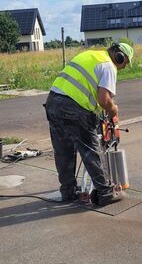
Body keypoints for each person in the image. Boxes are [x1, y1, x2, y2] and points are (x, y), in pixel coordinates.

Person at [44, 42, 134, 206]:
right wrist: (113, 110)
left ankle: (68, 191)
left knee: (63, 151)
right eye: (125, 63)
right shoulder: (108, 65)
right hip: (75, 109)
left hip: (52, 103)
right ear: (120, 57)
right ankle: (106, 192)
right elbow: (104, 100)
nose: (123, 67)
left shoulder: (90, 55)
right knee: (91, 150)